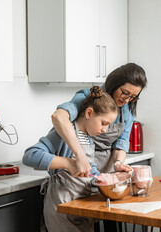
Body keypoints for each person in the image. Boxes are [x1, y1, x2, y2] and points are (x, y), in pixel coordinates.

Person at [22, 86, 119, 232]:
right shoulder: (64, 133)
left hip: (80, 207)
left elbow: (88, 168)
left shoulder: (88, 139)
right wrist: (68, 163)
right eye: (104, 123)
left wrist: (104, 179)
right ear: (89, 113)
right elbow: (30, 155)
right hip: (61, 207)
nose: (105, 130)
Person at [51, 63, 148, 178]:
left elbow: (121, 143)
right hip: (78, 171)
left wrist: (118, 163)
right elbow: (58, 117)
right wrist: (80, 155)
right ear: (114, 84)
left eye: (133, 97)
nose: (127, 100)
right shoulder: (88, 98)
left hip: (104, 173)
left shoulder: (127, 111)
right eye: (125, 93)